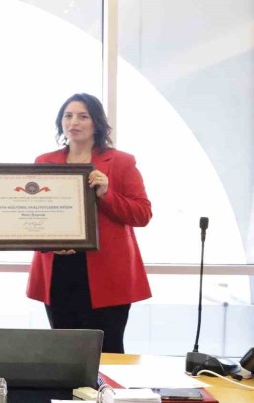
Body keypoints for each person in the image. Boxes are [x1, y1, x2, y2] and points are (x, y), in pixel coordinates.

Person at [26, 93, 152, 353]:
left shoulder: (121, 162)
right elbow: (33, 215)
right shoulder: (45, 161)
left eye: (83, 116)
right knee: (64, 351)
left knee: (108, 351)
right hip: (59, 268)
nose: (74, 122)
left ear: (96, 123)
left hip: (107, 273)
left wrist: (106, 194)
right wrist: (48, 243)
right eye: (68, 116)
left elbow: (142, 214)